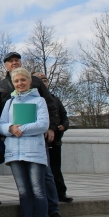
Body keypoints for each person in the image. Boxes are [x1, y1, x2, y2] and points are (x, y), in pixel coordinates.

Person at [0, 52, 64, 217]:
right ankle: (27, 213)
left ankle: (53, 209)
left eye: (17, 60)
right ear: (6, 66)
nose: (14, 63)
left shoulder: (36, 82)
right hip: (15, 142)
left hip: (35, 141)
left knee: (45, 177)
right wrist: (8, 130)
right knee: (24, 187)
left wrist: (51, 127)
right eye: (10, 61)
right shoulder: (2, 86)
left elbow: (50, 104)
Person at [0, 67, 50, 217]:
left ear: (29, 81)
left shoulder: (39, 101)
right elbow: (1, 125)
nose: (20, 84)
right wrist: (10, 129)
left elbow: (43, 124)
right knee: (24, 192)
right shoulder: (9, 103)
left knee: (38, 191)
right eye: (16, 81)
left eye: (23, 80)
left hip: (34, 151)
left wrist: (20, 129)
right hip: (14, 152)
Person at [33, 72, 72, 203]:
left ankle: (60, 193)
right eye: (39, 80)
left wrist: (62, 126)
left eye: (45, 80)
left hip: (54, 140)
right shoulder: (33, 99)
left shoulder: (55, 99)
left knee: (55, 168)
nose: (43, 83)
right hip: (38, 140)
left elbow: (63, 115)